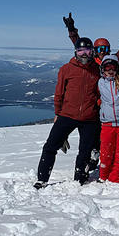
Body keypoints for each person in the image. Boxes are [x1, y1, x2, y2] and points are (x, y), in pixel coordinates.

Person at [61, 12, 119, 171]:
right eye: (99, 48)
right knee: (94, 138)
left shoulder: (113, 60)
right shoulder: (91, 62)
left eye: (105, 48)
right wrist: (72, 30)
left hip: (113, 107)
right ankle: (92, 160)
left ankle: (116, 163)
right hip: (96, 107)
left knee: (115, 138)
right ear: (94, 49)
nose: (102, 51)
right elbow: (78, 44)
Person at [34, 37, 101, 189]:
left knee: (85, 150)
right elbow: (59, 93)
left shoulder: (97, 70)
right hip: (67, 115)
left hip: (89, 117)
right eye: (81, 50)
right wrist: (57, 112)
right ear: (76, 52)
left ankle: (80, 178)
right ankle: (42, 179)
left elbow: (99, 94)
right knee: (50, 146)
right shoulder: (66, 69)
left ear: (92, 52)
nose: (84, 54)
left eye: (88, 50)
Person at [97, 55, 119, 183]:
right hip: (107, 124)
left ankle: (115, 177)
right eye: (107, 67)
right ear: (102, 69)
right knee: (106, 152)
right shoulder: (100, 82)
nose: (110, 70)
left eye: (113, 67)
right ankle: (103, 176)